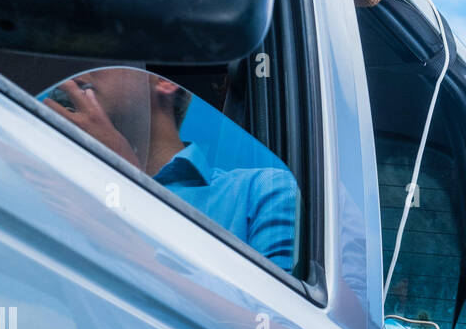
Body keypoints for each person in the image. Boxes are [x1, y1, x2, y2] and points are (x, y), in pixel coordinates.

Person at [42, 67, 298, 272]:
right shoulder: (59, 188)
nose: (76, 73)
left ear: (162, 80)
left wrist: (128, 182)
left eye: (101, 57)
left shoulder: (260, 191)